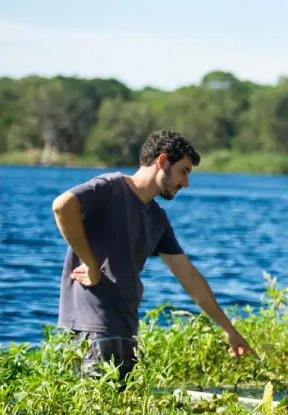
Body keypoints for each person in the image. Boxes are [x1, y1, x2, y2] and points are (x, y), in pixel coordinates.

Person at [52, 130, 253, 385]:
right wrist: (91, 263)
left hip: (126, 332)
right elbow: (62, 206)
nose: (186, 183)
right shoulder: (111, 187)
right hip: (93, 329)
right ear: (162, 161)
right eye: (184, 171)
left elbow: (190, 278)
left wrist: (230, 331)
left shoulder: (157, 218)